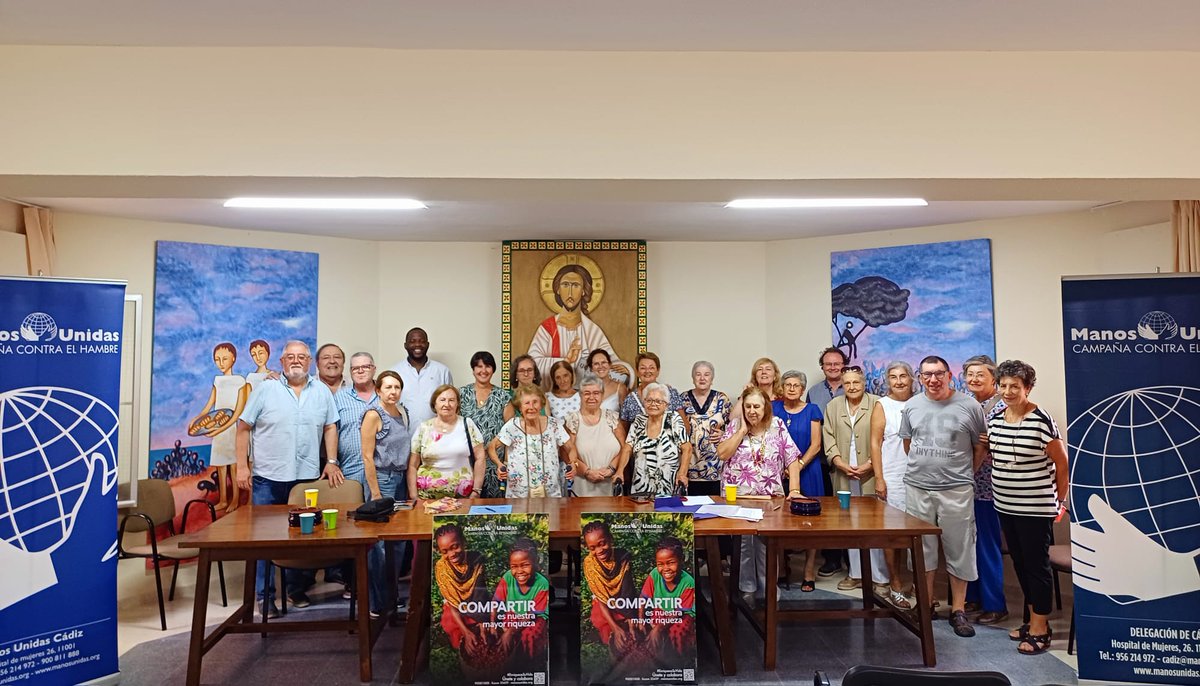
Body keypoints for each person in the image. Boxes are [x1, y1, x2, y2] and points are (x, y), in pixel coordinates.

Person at [234, 340, 340, 618]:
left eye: (302, 357)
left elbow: (330, 426)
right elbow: (243, 428)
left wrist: (331, 461)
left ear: (310, 362)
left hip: (305, 479)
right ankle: (264, 596)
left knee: (303, 537)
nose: (296, 361)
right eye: (290, 357)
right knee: (264, 540)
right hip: (268, 478)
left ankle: (296, 589)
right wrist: (242, 467)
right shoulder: (265, 390)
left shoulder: (322, 392)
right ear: (281, 362)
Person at [900, 355, 987, 638]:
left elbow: (980, 448)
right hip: (918, 488)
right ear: (920, 377)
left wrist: (962, 475)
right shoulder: (912, 406)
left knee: (959, 549)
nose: (933, 379)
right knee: (921, 549)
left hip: (956, 490)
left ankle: (958, 610)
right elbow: (908, 443)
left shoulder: (969, 406)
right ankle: (924, 606)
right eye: (927, 375)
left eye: (939, 374)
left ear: (949, 375)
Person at [988, 360, 1069, 655]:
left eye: (1015, 387)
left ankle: (1040, 628)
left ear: (1028, 388)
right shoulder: (995, 419)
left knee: (1037, 566)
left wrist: (1060, 502)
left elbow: (1062, 464)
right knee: (1020, 563)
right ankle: (1036, 619)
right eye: (1003, 385)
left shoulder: (1041, 419)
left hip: (1035, 507)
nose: (1008, 391)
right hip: (1006, 504)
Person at [716, 387, 801, 602]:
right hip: (739, 496)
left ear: (765, 408)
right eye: (748, 406)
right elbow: (722, 453)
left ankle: (768, 586)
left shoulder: (778, 425)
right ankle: (747, 587)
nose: (752, 411)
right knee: (743, 544)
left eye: (757, 406)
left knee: (767, 544)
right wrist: (742, 431)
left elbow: (792, 458)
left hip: (770, 496)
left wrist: (795, 490)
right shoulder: (736, 425)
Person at [822, 365, 888, 593]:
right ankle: (856, 574)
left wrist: (869, 465)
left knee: (874, 525)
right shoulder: (833, 406)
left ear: (864, 383)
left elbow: (885, 438)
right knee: (849, 523)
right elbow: (827, 437)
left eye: (856, 383)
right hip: (843, 473)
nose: (851, 387)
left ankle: (880, 577)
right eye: (847, 383)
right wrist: (839, 462)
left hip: (870, 473)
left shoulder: (878, 403)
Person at [360, 370, 412, 618]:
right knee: (379, 544)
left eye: (397, 387)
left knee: (399, 542)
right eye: (388, 387)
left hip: (400, 479)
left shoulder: (402, 413)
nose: (393, 391)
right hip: (382, 479)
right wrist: (376, 493)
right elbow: (367, 457)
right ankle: (377, 602)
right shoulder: (373, 414)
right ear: (378, 390)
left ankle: (392, 596)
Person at [527, 263, 632, 382]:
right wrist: (566, 361)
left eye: (576, 285)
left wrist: (625, 370)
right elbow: (532, 366)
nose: (570, 292)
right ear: (557, 289)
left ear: (583, 291)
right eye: (565, 285)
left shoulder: (591, 331)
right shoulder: (547, 328)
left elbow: (611, 364)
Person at [962, 354, 1008, 625]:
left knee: (987, 545)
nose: (974, 379)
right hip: (966, 485)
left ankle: (995, 604)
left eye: (980, 375)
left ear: (994, 379)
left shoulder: (1002, 406)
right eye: (970, 375)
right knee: (969, 544)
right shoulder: (969, 405)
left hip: (990, 488)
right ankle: (974, 598)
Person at [772, 370, 824, 590]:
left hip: (808, 470)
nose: (792, 388)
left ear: (803, 389)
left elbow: (816, 445)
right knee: (778, 521)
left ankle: (809, 570)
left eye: (796, 385)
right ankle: (783, 567)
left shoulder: (812, 409)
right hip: (776, 472)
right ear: (782, 388)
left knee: (811, 524)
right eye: (788, 385)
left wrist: (798, 465)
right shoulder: (773, 408)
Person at [870, 361, 916, 610]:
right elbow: (875, 443)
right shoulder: (882, 405)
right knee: (893, 534)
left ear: (911, 379)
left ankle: (919, 584)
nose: (898, 381)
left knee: (919, 533)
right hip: (893, 475)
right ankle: (895, 584)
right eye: (893, 377)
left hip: (921, 478)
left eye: (903, 376)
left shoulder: (922, 403)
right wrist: (879, 477)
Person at [187, 342, 248, 513]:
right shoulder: (218, 381)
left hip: (231, 429)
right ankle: (222, 500)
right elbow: (210, 405)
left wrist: (221, 428)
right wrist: (197, 419)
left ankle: (235, 499)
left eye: (225, 359)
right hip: (217, 427)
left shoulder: (240, 381)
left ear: (233, 359)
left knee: (233, 465)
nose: (221, 363)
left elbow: (238, 411)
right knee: (221, 465)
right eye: (217, 359)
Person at [492, 384, 574, 498]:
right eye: (526, 403)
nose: (531, 407)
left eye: (535, 402)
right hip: (518, 495)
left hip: (550, 493)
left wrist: (573, 463)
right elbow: (492, 447)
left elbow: (571, 448)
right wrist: (499, 464)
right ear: (520, 407)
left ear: (541, 405)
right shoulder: (512, 425)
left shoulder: (553, 424)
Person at [808, 346, 848, 578]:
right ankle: (831, 558)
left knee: (849, 510)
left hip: (850, 460)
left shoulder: (854, 387)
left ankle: (852, 559)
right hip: (821, 460)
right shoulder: (813, 392)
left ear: (844, 364)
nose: (833, 367)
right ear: (822, 366)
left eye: (837, 363)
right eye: (828, 364)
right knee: (828, 511)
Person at [408, 385, 485, 500]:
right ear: (435, 403)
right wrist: (414, 496)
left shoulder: (467, 424)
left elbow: (480, 458)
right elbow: (412, 465)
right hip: (426, 499)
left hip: (464, 498)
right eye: (442, 400)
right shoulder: (423, 428)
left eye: (451, 400)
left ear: (457, 404)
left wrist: (476, 491)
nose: (447, 404)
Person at [618, 383, 691, 497]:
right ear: (644, 402)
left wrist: (682, 474)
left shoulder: (673, 419)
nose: (653, 404)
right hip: (641, 487)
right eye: (649, 400)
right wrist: (619, 471)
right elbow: (627, 448)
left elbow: (687, 448)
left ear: (666, 405)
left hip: (668, 486)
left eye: (658, 401)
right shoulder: (639, 421)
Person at [459, 351, 513, 498]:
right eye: (479, 366)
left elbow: (510, 432)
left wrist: (506, 463)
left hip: (495, 463)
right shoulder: (461, 394)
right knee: (468, 507)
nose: (483, 371)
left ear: (493, 369)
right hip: (468, 462)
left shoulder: (503, 396)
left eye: (487, 366)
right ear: (473, 370)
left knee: (495, 509)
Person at [564, 373, 626, 496]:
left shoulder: (612, 418)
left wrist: (612, 469)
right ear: (580, 396)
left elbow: (625, 448)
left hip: (611, 484)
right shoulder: (572, 420)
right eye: (587, 393)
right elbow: (567, 453)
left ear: (602, 395)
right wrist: (587, 472)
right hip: (582, 487)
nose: (591, 397)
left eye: (596, 393)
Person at [433, 523, 488, 658]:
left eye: (455, 547)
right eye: (445, 551)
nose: (452, 554)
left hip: (477, 604)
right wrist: (465, 632)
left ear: (463, 542)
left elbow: (480, 594)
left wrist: (483, 622)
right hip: (455, 608)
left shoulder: (475, 558)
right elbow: (452, 603)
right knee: (453, 624)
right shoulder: (441, 568)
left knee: (491, 622)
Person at [489, 537, 550, 658]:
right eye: (514, 566)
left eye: (525, 565)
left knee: (530, 635)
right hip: (514, 614)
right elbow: (495, 602)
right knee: (502, 633)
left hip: (534, 618)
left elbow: (532, 616)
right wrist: (492, 624)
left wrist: (511, 632)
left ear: (536, 562)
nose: (519, 571)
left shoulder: (542, 584)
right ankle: (508, 657)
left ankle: (530, 661)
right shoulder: (508, 578)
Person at [582, 520, 636, 653]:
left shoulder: (622, 556)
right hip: (604, 605)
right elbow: (601, 598)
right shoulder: (589, 564)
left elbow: (628, 590)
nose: (599, 551)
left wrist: (631, 619)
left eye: (602, 544)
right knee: (610, 632)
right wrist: (616, 629)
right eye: (592, 548)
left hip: (625, 601)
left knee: (637, 627)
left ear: (610, 539)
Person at [638, 537, 696, 656]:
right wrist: (640, 619)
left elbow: (679, 612)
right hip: (661, 611)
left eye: (671, 562)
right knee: (649, 633)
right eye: (660, 564)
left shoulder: (688, 582)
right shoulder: (654, 575)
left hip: (681, 614)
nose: (665, 569)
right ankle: (654, 660)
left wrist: (658, 628)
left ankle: (678, 660)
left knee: (677, 631)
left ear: (681, 560)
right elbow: (643, 599)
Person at [682, 361, 731, 497]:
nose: (702, 378)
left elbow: (733, 427)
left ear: (712, 378)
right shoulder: (683, 399)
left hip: (715, 466)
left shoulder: (722, 399)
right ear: (693, 378)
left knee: (715, 508)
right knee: (690, 508)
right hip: (689, 465)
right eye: (698, 374)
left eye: (706, 375)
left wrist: (724, 433)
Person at [392, 327, 453, 427]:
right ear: (405, 345)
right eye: (412, 341)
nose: (417, 344)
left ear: (428, 345)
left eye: (422, 341)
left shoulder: (442, 371)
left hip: (436, 435)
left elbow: (451, 404)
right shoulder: (395, 372)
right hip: (403, 435)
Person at [619, 352, 685, 431]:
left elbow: (684, 426)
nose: (647, 371)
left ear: (658, 371)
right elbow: (624, 431)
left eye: (651, 368)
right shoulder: (630, 399)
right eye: (643, 368)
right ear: (637, 371)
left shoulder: (671, 393)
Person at [504, 354, 542, 421]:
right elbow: (508, 426)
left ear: (535, 373)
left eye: (529, 370)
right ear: (515, 375)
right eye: (521, 371)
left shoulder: (542, 396)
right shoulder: (508, 398)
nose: (526, 374)